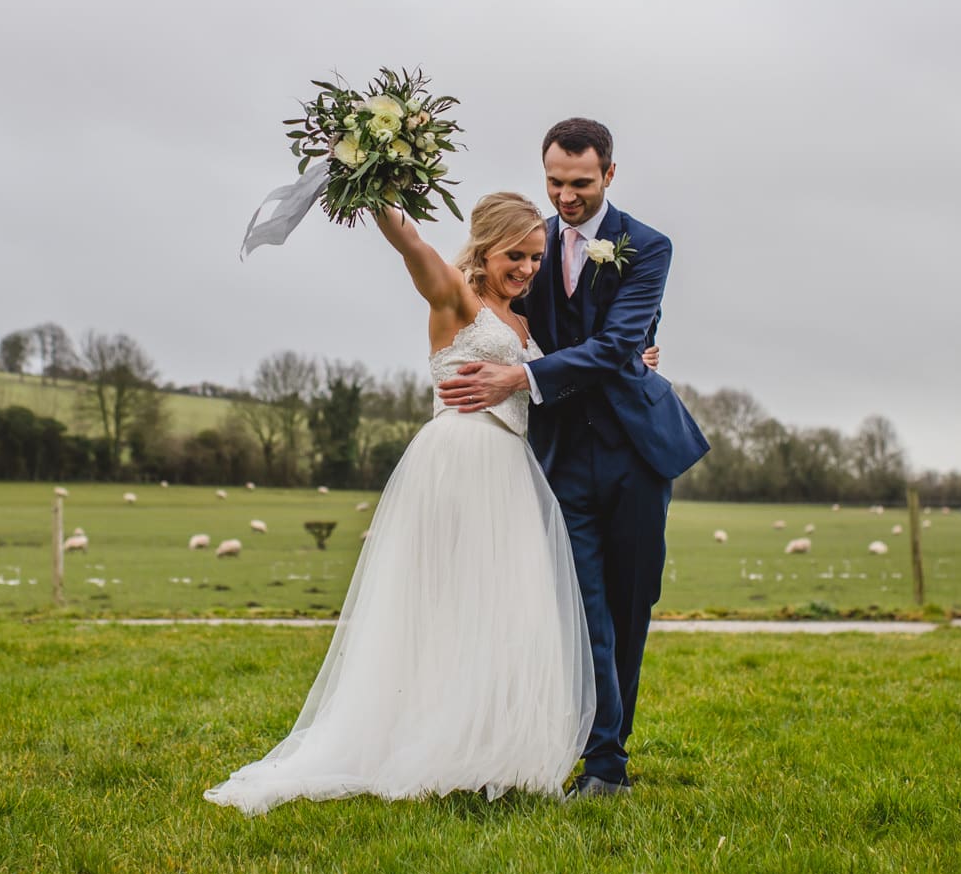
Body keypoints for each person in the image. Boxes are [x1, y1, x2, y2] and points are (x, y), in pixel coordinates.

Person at [204, 192, 596, 815]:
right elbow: (410, 243)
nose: (525, 268)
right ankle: (431, 740)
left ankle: (490, 744)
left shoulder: (522, 322)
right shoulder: (456, 296)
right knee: (452, 600)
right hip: (462, 458)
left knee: (502, 601)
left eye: (535, 257)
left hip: (510, 467)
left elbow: (555, 381)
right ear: (484, 248)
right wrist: (371, 174)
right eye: (514, 255)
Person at [439, 118, 709, 798]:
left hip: (636, 454)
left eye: (580, 183)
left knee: (629, 603)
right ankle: (603, 766)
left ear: (609, 175)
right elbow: (494, 299)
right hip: (558, 454)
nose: (565, 196)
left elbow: (619, 342)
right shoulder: (534, 243)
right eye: (555, 181)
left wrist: (527, 377)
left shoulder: (646, 246)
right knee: (581, 609)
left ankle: (607, 751)